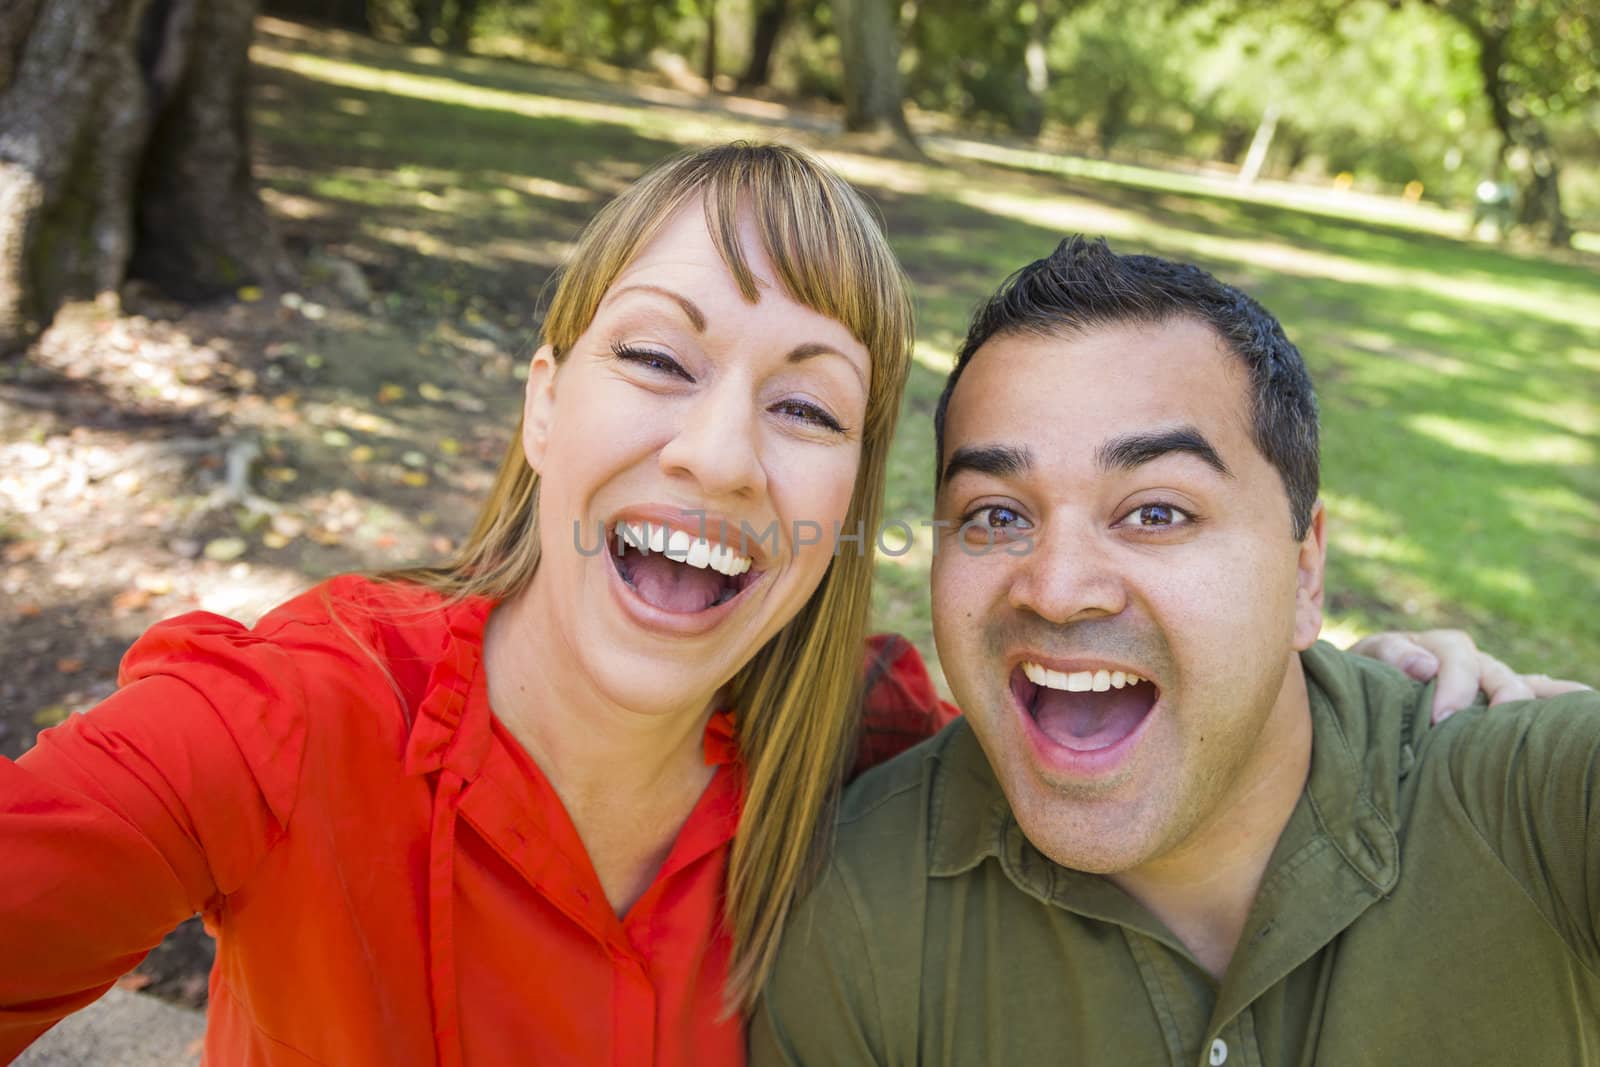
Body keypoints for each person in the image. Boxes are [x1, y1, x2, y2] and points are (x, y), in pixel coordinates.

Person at [0, 145, 1561, 1067]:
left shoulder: (876, 750)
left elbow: (1157, 691)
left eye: (809, 409)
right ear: (543, 408)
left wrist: (1354, 674)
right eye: (658, 360)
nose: (721, 452)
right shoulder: (287, 722)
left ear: (845, 515)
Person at [752, 236, 1599, 1065]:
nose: (1057, 588)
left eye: (1156, 512)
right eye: (998, 515)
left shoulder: (1537, 807)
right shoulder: (855, 910)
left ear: (1305, 570)